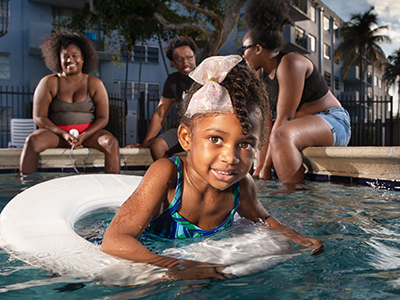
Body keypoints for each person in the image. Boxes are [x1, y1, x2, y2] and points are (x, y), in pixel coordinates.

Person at [102, 55, 324, 281]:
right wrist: (175, 266)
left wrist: (296, 237)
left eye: (245, 144)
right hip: (158, 257)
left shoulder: (242, 186)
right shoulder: (167, 175)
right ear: (186, 138)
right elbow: (115, 239)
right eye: (216, 139)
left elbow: (263, 219)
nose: (231, 157)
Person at [242, 0, 351, 184]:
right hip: (302, 123)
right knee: (269, 129)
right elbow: (265, 124)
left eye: (244, 48)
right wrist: (259, 171)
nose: (243, 55)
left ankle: (295, 205)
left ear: (258, 48)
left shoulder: (290, 64)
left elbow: (285, 120)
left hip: (333, 121)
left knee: (281, 134)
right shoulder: (260, 76)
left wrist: (267, 167)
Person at [19, 30, 120, 175]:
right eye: (65, 56)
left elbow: (103, 118)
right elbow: (39, 117)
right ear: (58, 59)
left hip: (89, 134)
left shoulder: (94, 83)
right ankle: (25, 186)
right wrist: (63, 134)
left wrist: (84, 136)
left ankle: (113, 187)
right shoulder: (49, 82)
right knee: (32, 141)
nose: (70, 60)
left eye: (74, 56)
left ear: (83, 58)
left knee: (111, 143)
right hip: (57, 135)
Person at [125, 36, 197, 161]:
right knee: (158, 146)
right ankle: (172, 177)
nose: (186, 63)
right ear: (173, 63)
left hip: (206, 130)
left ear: (194, 57)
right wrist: (145, 143)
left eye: (189, 57)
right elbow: (160, 114)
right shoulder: (172, 81)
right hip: (186, 131)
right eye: (179, 59)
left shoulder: (207, 77)